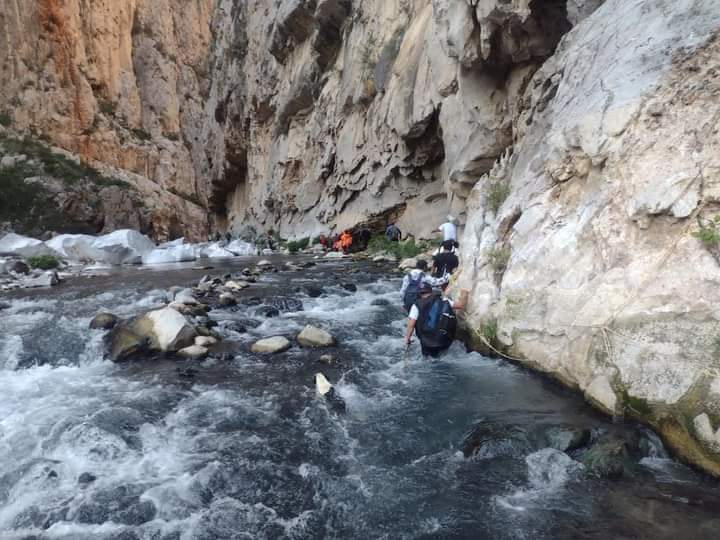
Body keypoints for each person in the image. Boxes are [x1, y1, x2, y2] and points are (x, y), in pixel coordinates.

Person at [404, 283, 458, 358]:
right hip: (444, 338)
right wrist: (465, 292)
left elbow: (411, 325)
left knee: (428, 360)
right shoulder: (444, 300)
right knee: (443, 356)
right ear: (431, 291)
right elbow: (460, 305)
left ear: (419, 293)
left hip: (427, 342)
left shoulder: (416, 305)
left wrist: (408, 338)